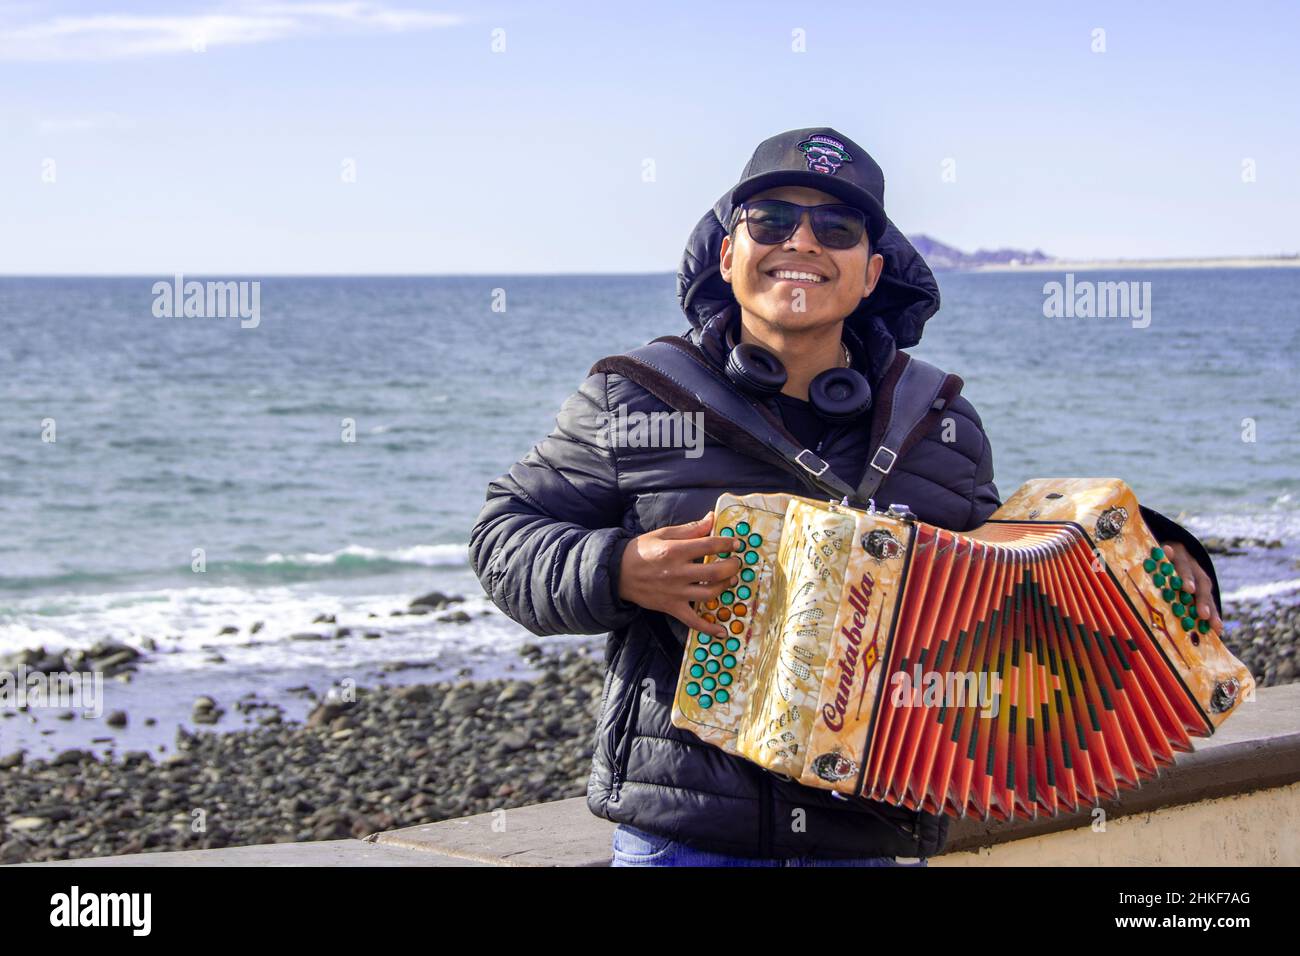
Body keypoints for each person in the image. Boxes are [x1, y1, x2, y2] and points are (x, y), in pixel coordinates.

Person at [469, 127, 1222, 867]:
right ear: (728, 254)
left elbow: (1003, 580)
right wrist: (619, 567)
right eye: (771, 220)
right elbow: (504, 533)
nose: (802, 241)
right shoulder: (638, 397)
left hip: (875, 833)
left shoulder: (939, 421)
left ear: (871, 272)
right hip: (686, 835)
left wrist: (1155, 550)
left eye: (837, 227)